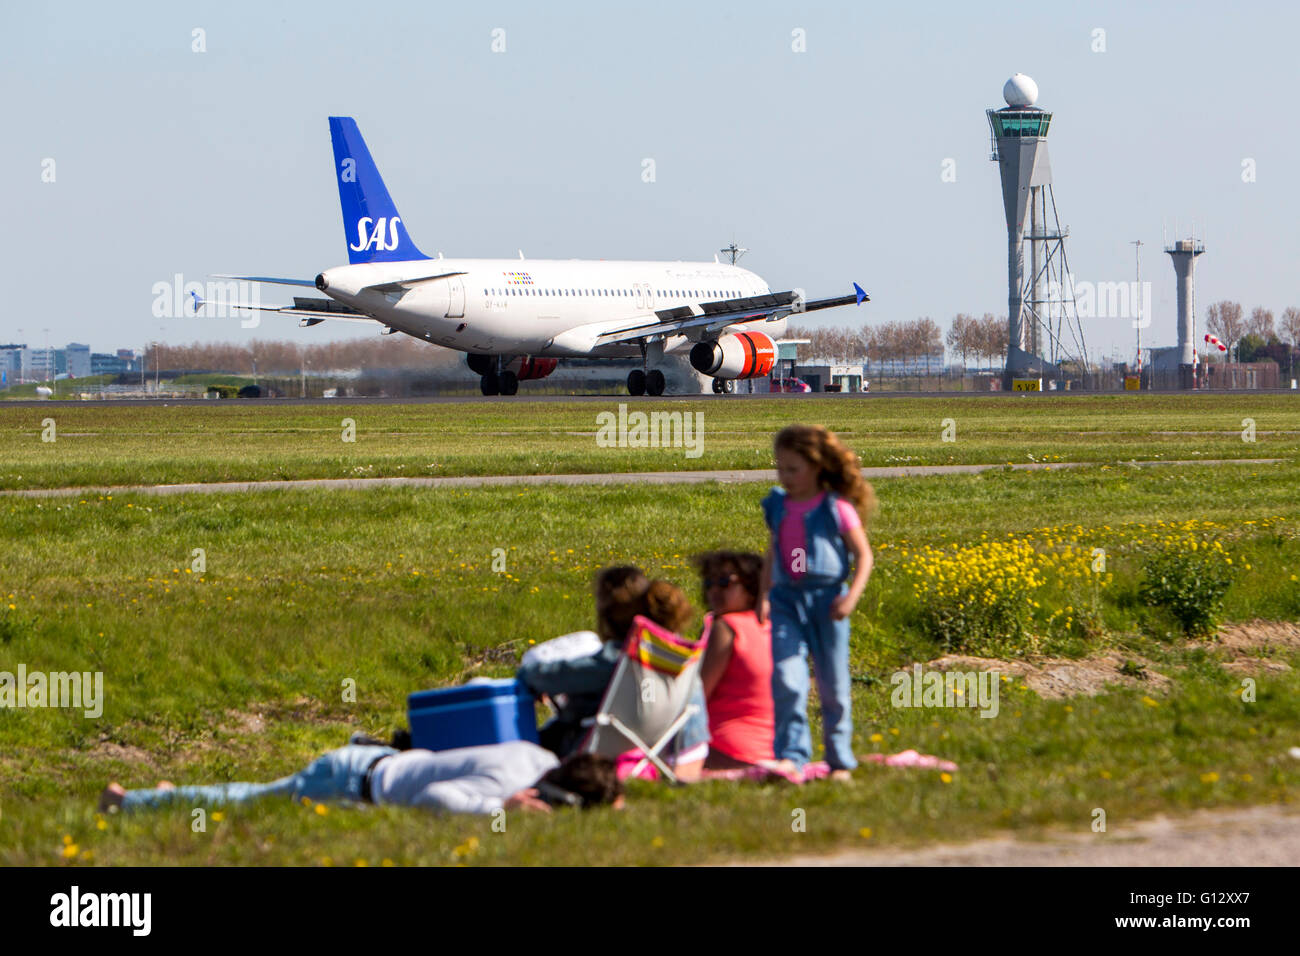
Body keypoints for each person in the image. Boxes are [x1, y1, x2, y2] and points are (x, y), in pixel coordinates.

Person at [759, 424, 875, 781]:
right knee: (787, 679)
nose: (786, 476)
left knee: (834, 687)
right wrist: (763, 595)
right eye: (781, 469)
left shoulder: (836, 508)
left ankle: (839, 761)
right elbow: (773, 552)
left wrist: (850, 599)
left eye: (793, 469)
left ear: (816, 467)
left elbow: (864, 556)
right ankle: (791, 757)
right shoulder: (779, 505)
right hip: (786, 603)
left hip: (828, 603)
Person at [99, 741, 623, 815]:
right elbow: (435, 800)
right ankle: (132, 802)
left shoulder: (535, 753)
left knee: (254, 795)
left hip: (370, 762)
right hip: (350, 782)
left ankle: (164, 797)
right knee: (251, 802)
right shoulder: (504, 787)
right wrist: (498, 811)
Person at [516, 566, 650, 758]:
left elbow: (544, 675)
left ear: (606, 614)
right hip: (650, 746)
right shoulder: (667, 655)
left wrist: (528, 675)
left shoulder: (613, 663)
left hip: (586, 753)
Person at [693, 550, 774, 769]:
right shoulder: (773, 626)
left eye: (724, 582)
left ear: (751, 586)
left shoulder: (726, 628)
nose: (714, 591)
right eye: (708, 583)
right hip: (771, 750)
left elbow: (697, 695)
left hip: (725, 748)